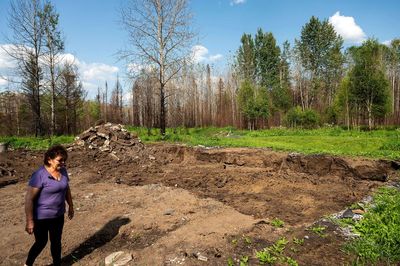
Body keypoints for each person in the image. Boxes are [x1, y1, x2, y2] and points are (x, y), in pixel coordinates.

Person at [24, 145, 74, 266]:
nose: (63, 163)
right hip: (41, 217)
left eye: (64, 160)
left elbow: (66, 188)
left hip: (58, 215)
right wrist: (30, 221)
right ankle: (27, 264)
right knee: (41, 242)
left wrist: (71, 206)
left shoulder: (63, 171)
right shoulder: (39, 175)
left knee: (56, 242)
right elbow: (29, 199)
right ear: (49, 159)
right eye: (60, 160)